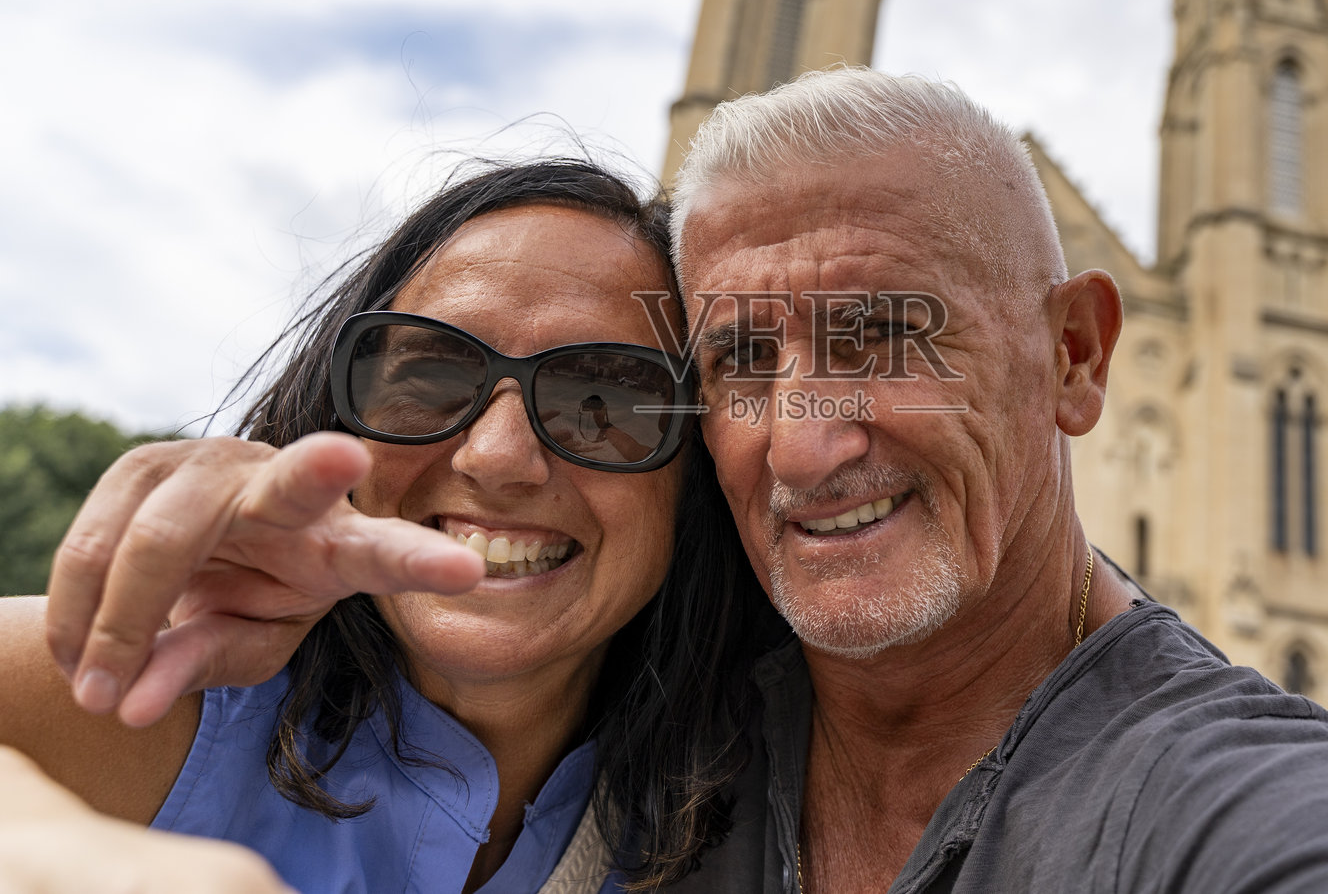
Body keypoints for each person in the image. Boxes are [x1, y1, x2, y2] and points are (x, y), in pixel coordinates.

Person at [33, 70, 1328, 892]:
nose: (810, 438)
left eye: (889, 338)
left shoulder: (1222, 802)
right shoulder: (647, 703)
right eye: (735, 362)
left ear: (1073, 358)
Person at [0, 159, 776, 893]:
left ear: (695, 473)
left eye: (606, 399)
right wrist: (53, 848)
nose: (499, 456)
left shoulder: (761, 813)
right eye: (431, 376)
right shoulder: (162, 693)